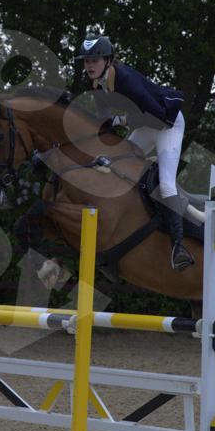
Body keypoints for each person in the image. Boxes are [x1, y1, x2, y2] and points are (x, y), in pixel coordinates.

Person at [76, 34, 193, 270]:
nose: (89, 65)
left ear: (108, 61)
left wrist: (121, 120)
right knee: (113, 164)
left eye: (94, 60)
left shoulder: (126, 80)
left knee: (166, 184)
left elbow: (158, 116)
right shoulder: (97, 83)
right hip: (146, 126)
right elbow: (105, 122)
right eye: (87, 61)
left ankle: (179, 247)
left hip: (167, 124)